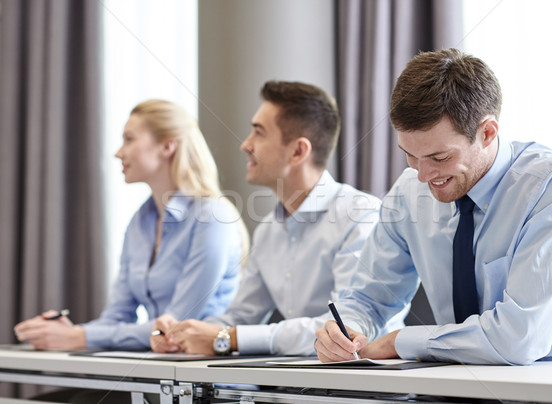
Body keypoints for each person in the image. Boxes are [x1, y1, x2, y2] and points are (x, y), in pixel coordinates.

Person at [315, 48, 552, 365]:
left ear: (487, 133)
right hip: (455, 384)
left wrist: (403, 340)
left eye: (439, 158)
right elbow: (370, 298)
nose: (422, 175)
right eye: (410, 155)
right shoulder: (408, 194)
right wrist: (346, 330)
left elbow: (519, 338)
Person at [151, 80, 406, 356]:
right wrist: (182, 334)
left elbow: (343, 330)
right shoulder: (269, 230)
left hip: (362, 389)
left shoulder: (360, 215)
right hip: (289, 387)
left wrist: (228, 337)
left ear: (298, 151)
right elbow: (239, 317)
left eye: (258, 133)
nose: (245, 145)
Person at [14, 99, 248, 351]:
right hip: (153, 374)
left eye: (129, 139)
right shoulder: (140, 222)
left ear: (167, 146)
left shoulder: (212, 218)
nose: (118, 152)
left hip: (208, 380)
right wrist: (69, 332)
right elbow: (117, 315)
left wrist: (81, 337)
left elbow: (174, 327)